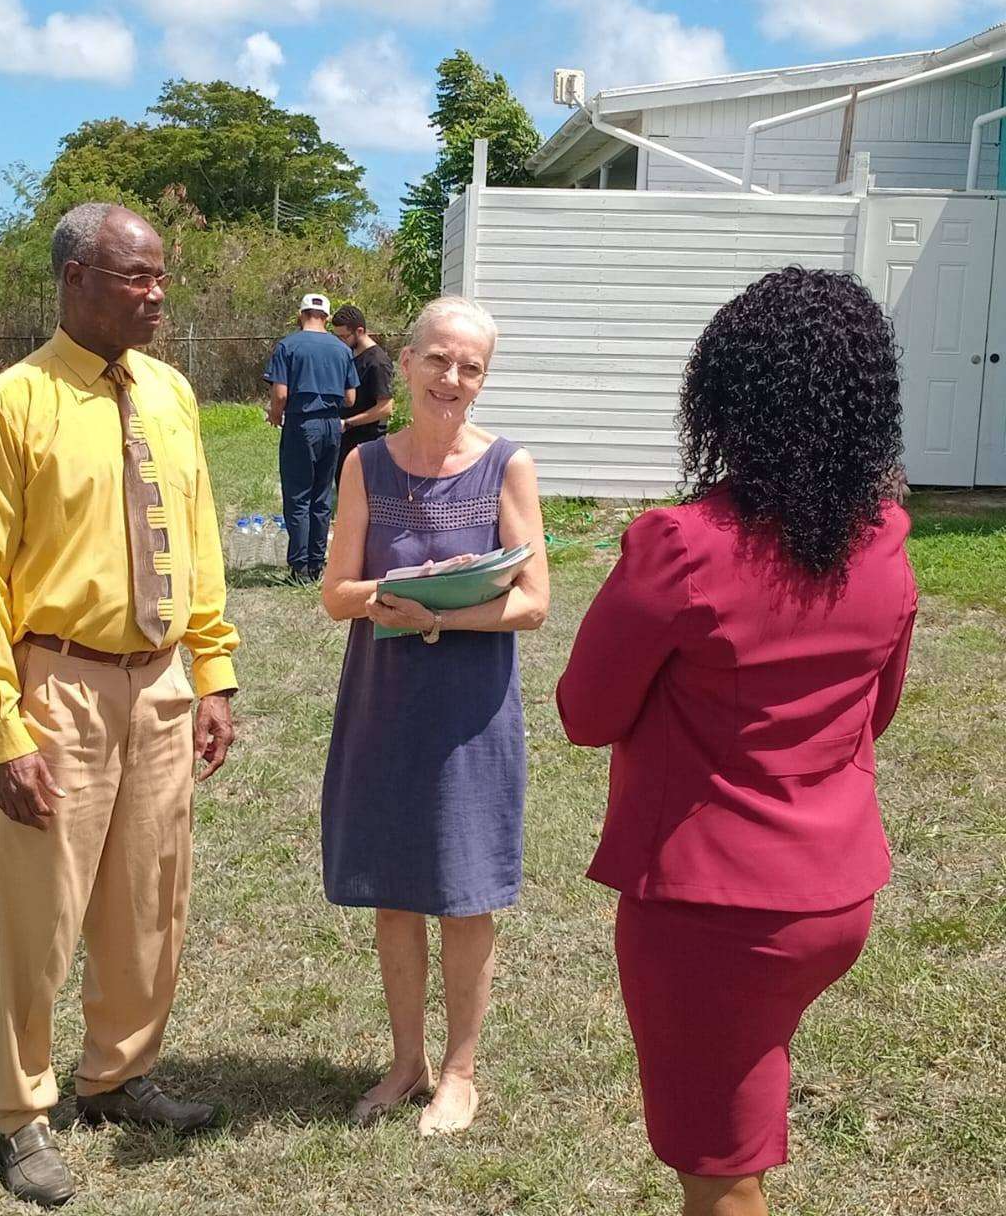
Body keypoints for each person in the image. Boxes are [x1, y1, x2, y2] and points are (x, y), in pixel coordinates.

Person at [555, 267, 916, 1216]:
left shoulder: (680, 544)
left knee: (719, 1179)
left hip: (713, 912)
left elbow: (584, 716)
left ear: (724, 393)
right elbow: (873, 713)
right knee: (742, 1099)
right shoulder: (885, 540)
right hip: (835, 898)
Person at [0, 202, 240, 1207]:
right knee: (42, 912)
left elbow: (196, 537)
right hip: (57, 683)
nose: (157, 294)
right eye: (136, 277)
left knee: (148, 898)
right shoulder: (11, 405)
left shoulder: (169, 392)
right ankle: (22, 1111)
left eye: (162, 276)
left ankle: (116, 1072)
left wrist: (212, 672)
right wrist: (5, 728)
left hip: (159, 680)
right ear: (76, 278)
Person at [320, 295, 550, 1136]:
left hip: (469, 712)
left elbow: (532, 603)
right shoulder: (365, 466)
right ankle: (406, 1060)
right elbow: (333, 593)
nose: (452, 379)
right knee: (394, 893)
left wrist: (445, 614)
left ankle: (461, 1072)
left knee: (465, 893)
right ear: (407, 362)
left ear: (483, 380)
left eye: (472, 367)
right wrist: (394, 594)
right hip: (384, 705)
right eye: (439, 360)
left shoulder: (507, 466)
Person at [265, 293, 358, 581]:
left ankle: (300, 566)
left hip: (301, 423)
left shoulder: (288, 346)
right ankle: (318, 563)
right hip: (331, 425)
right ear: (327, 318)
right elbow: (350, 398)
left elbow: (280, 393)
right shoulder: (341, 349)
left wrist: (275, 414)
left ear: (301, 314)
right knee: (322, 494)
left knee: (298, 494)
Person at [329, 304, 394, 487]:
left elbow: (385, 408)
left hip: (367, 441)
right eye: (337, 336)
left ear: (359, 331)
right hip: (346, 438)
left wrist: (348, 423)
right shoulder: (351, 355)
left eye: (344, 336)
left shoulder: (377, 362)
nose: (341, 341)